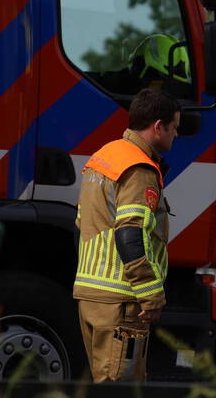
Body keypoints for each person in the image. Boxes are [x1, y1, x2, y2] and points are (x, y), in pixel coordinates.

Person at [73, 88, 179, 382]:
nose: (176, 136)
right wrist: (151, 295)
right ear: (158, 126)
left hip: (91, 294)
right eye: (175, 128)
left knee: (103, 382)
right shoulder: (138, 169)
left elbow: (83, 222)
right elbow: (130, 235)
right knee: (120, 394)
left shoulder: (103, 157)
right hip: (121, 299)